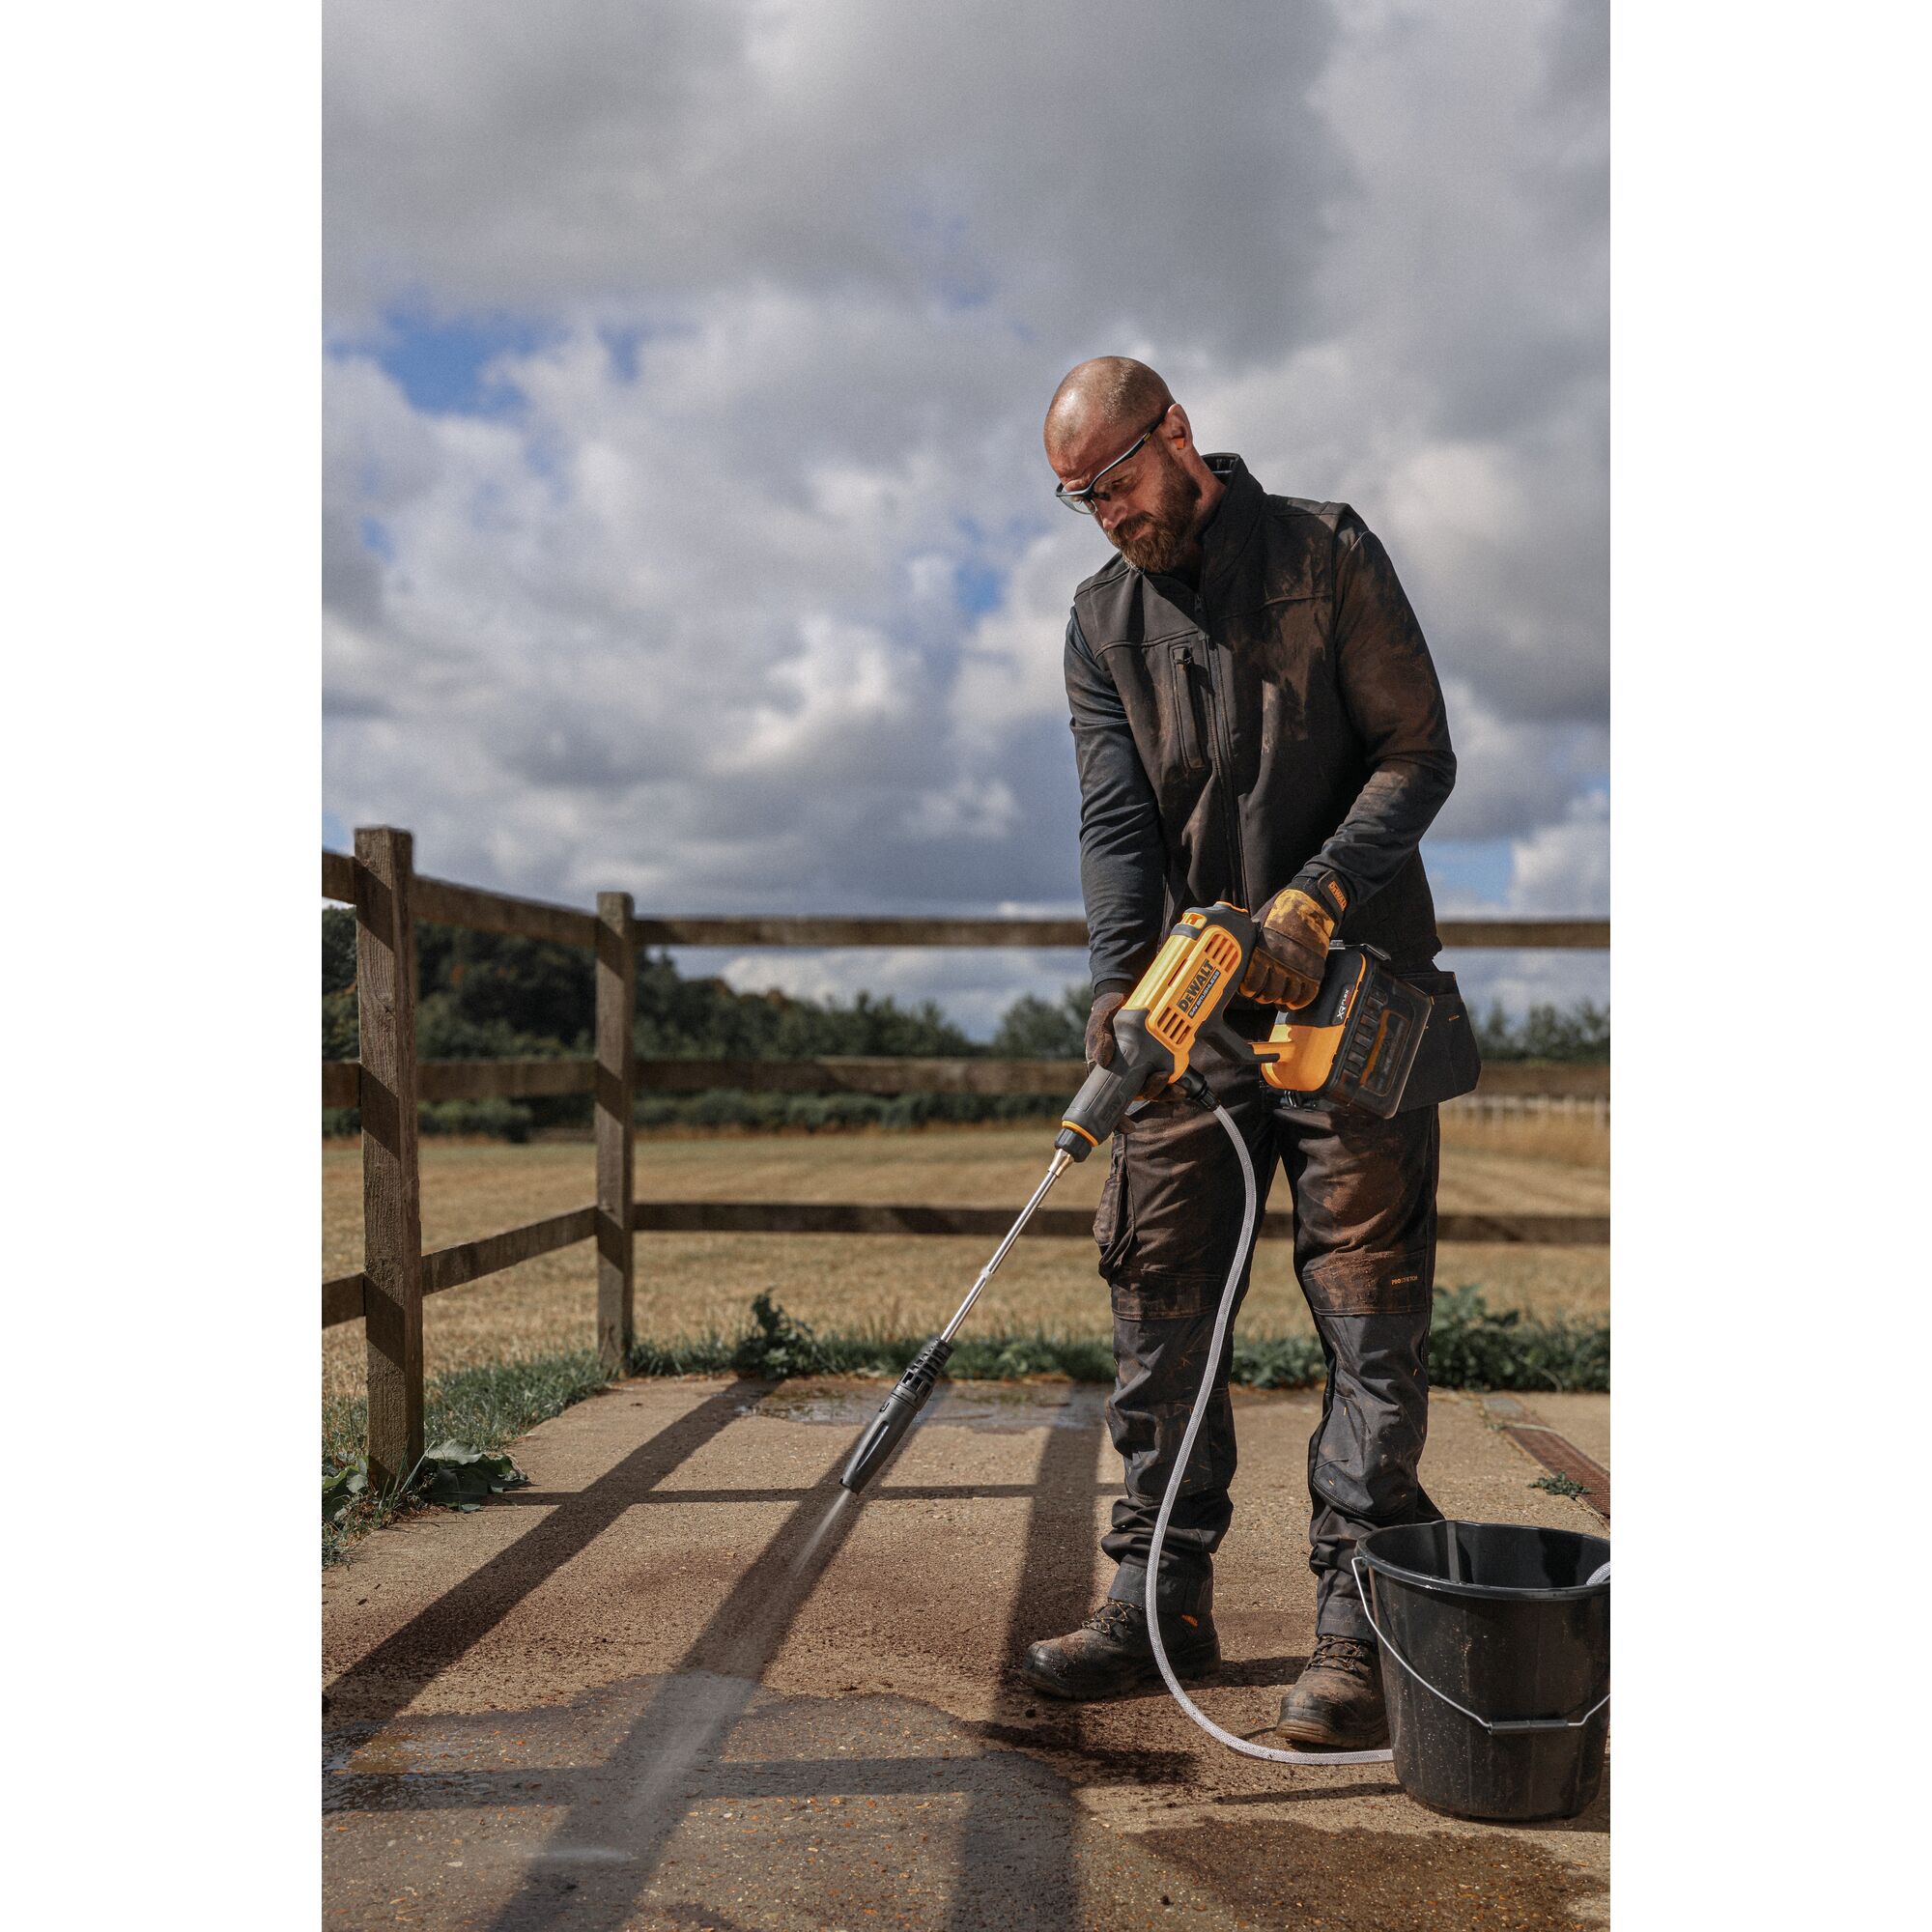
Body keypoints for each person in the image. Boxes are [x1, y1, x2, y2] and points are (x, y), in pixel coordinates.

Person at [1016, 356, 1459, 1750]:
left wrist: (1315, 898)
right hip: (1193, 1009)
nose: (1112, 517)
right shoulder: (1101, 624)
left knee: (1366, 1312)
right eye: (1082, 501)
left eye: (1122, 483)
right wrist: (1119, 987)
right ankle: (1159, 1594)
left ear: (1179, 435)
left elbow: (1417, 754)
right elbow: (1116, 828)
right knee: (1158, 1290)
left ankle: (1358, 1623)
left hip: (1352, 991)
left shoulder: (1327, 556)